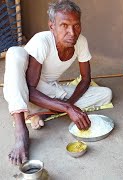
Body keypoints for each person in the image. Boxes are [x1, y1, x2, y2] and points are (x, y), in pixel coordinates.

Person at [3, 0, 112, 165]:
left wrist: (70, 105)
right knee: (14, 53)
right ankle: (21, 129)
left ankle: (41, 111)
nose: (72, 32)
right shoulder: (42, 41)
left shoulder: (81, 42)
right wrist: (67, 108)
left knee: (106, 94)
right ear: (52, 26)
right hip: (24, 89)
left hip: (51, 91)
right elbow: (31, 89)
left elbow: (86, 79)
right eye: (64, 25)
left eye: (76, 25)